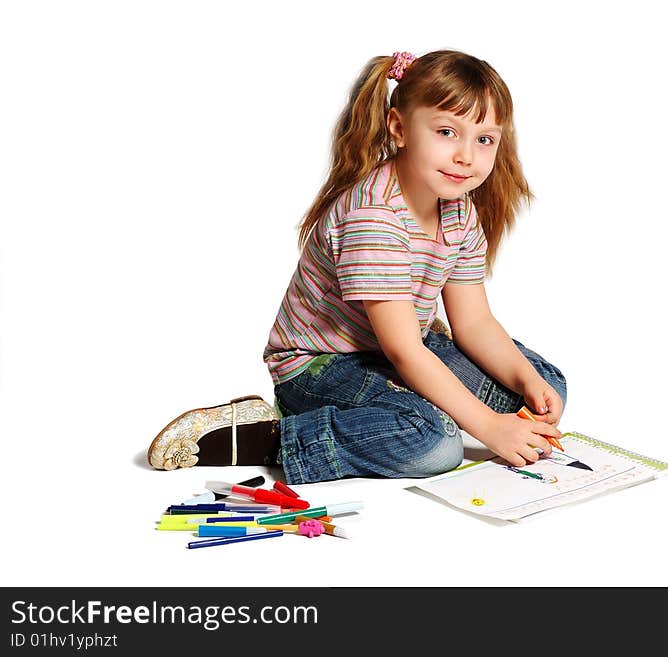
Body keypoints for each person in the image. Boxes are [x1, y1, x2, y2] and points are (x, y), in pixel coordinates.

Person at [147, 50, 567, 483]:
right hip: (322, 365)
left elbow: (474, 322)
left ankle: (408, 406)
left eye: (484, 139)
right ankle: (274, 436)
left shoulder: (458, 210)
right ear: (399, 128)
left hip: (398, 349)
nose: (466, 156)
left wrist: (525, 380)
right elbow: (405, 352)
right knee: (436, 443)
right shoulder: (374, 218)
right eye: (446, 132)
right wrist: (490, 427)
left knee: (545, 386)